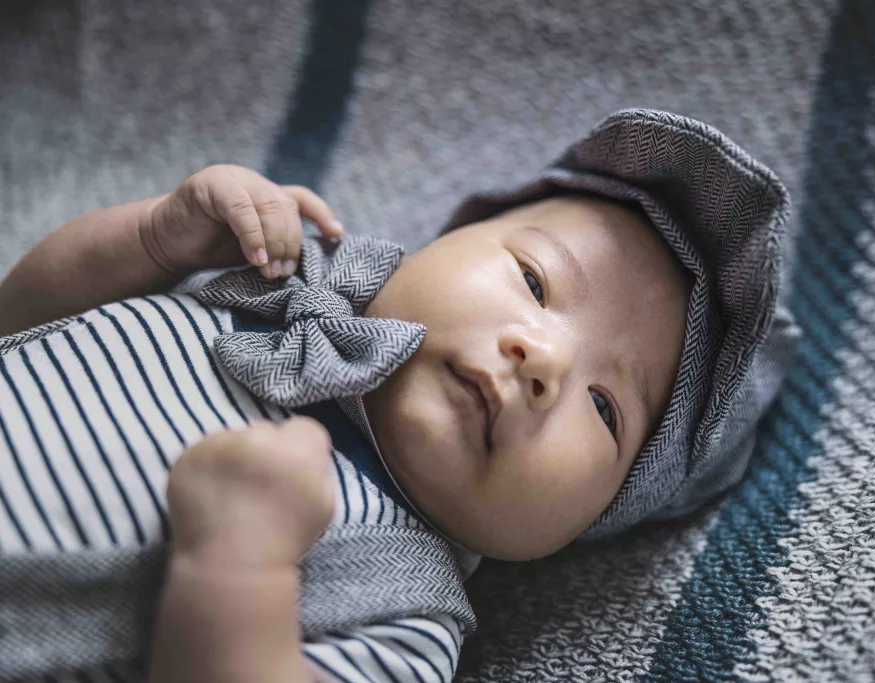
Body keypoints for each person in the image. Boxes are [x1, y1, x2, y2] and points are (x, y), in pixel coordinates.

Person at [0, 109, 799, 682]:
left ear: (586, 522)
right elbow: (21, 323)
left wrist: (237, 566)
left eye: (607, 408)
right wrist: (151, 241)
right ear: (435, 245)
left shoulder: (404, 611)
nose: (545, 357)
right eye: (533, 279)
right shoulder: (258, 298)